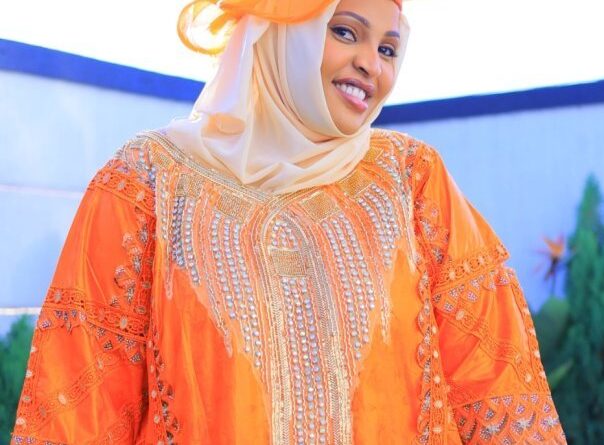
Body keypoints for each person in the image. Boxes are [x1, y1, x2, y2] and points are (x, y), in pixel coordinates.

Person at [10, 0, 567, 443]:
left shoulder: (411, 180)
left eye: (389, 48)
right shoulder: (148, 183)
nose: (372, 64)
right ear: (279, 28)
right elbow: (81, 401)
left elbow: (494, 384)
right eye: (345, 32)